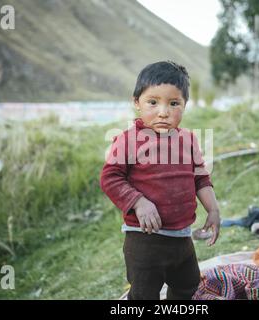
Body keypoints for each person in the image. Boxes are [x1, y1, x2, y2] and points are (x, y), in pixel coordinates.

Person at [100, 61, 221, 300]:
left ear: (185, 105)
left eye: (174, 103)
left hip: (182, 237)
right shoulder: (128, 140)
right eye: (153, 102)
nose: (163, 112)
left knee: (187, 285)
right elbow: (110, 178)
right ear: (137, 102)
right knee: (144, 294)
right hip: (144, 240)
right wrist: (139, 202)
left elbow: (201, 179)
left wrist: (213, 209)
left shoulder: (188, 140)